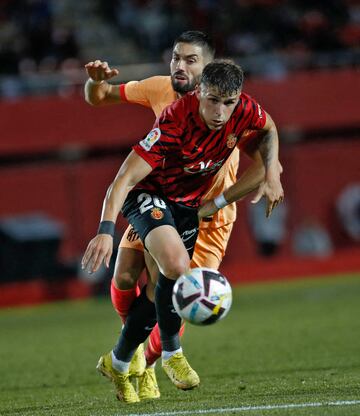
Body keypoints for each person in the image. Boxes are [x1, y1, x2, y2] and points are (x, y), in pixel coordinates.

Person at [82, 60, 284, 403]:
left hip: (187, 207)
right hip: (148, 196)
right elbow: (124, 180)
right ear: (199, 92)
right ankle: (172, 352)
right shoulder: (176, 119)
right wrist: (105, 229)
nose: (220, 112)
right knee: (176, 267)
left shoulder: (244, 109)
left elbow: (270, 129)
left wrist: (273, 175)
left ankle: (117, 361)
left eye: (228, 102)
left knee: (156, 294)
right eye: (213, 100)